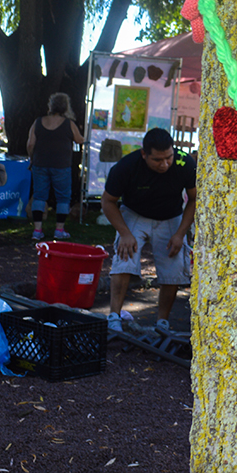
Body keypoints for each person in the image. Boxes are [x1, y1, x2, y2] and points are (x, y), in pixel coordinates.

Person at [100, 128, 197, 334]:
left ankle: (162, 322)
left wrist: (180, 233)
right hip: (135, 214)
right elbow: (107, 202)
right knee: (124, 259)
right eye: (157, 160)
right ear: (144, 154)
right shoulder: (126, 166)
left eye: (168, 157)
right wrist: (124, 232)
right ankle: (114, 316)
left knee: (173, 269)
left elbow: (194, 199)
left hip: (171, 216)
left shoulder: (185, 163)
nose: (164, 164)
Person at [26, 92, 85, 242]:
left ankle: (37, 230)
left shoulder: (38, 122)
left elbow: (30, 144)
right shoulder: (69, 124)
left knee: (39, 196)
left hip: (40, 164)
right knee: (63, 198)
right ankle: (59, 230)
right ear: (66, 107)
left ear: (50, 106)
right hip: (62, 165)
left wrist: (32, 158)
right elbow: (79, 140)